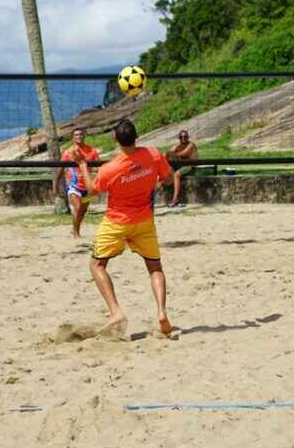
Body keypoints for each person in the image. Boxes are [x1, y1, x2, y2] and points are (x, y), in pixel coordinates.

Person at [72, 118, 174, 337]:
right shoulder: (154, 154)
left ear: (115, 139)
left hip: (117, 222)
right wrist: (154, 181)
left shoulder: (111, 168)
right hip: (144, 220)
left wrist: (82, 165)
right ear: (137, 137)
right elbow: (168, 177)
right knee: (155, 268)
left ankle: (116, 312)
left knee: (97, 265)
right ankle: (162, 311)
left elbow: (91, 190)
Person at [53, 128, 100, 239]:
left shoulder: (92, 151)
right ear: (73, 137)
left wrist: (97, 181)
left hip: (87, 186)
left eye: (80, 134)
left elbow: (99, 167)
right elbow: (60, 169)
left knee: (83, 211)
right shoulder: (68, 152)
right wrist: (55, 186)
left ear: (84, 136)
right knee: (78, 207)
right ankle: (76, 233)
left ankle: (74, 228)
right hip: (73, 184)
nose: (79, 136)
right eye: (76, 135)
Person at [166, 130, 198, 207]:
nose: (183, 138)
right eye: (181, 137)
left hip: (191, 166)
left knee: (176, 174)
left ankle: (175, 199)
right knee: (165, 172)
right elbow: (168, 153)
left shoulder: (191, 145)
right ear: (179, 138)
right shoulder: (178, 145)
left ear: (188, 137)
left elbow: (183, 153)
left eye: (185, 137)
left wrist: (172, 154)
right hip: (181, 166)